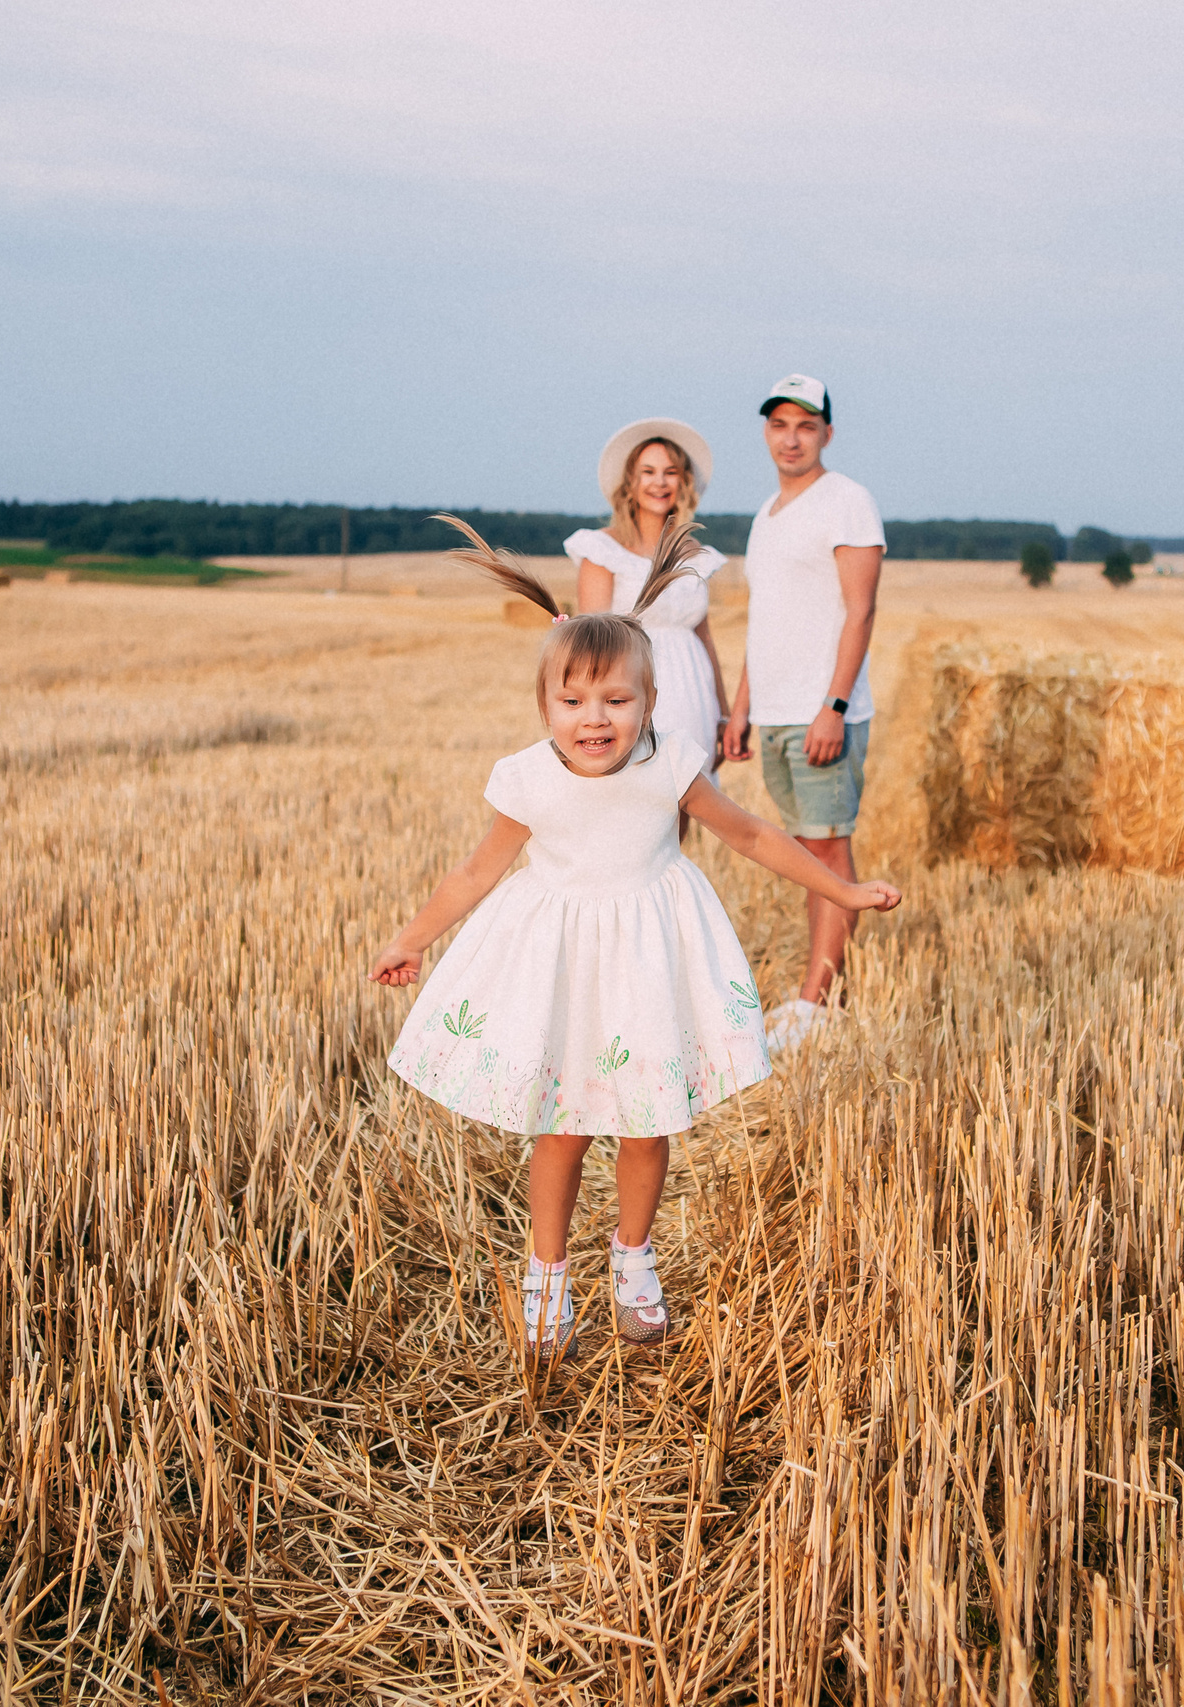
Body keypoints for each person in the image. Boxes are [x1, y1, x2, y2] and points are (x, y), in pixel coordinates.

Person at [371, 517, 902, 1359]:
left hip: (648, 962)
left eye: (617, 700)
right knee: (563, 1124)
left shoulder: (668, 761)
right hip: (562, 967)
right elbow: (473, 875)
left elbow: (756, 837)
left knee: (648, 1121)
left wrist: (842, 887)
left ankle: (633, 1256)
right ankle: (548, 1270)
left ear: (650, 702)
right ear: (544, 705)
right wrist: (411, 938)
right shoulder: (527, 778)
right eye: (573, 701)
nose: (595, 718)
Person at [720, 374, 885, 1052]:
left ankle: (818, 1001)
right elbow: (768, 621)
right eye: (780, 424)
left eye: (806, 426)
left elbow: (861, 609)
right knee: (804, 850)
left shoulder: (847, 502)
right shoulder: (767, 515)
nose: (791, 437)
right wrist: (741, 709)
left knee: (827, 845)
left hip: (823, 712)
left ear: (828, 434)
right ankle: (819, 991)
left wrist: (834, 706)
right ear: (766, 432)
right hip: (777, 712)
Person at [565, 421, 732, 802]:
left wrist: (722, 713)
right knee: (629, 806)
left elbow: (702, 637)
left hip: (694, 696)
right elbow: (590, 644)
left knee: (687, 805)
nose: (660, 483)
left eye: (670, 472)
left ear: (684, 482)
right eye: (649, 472)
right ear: (630, 482)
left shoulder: (694, 554)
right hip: (631, 694)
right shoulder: (603, 550)